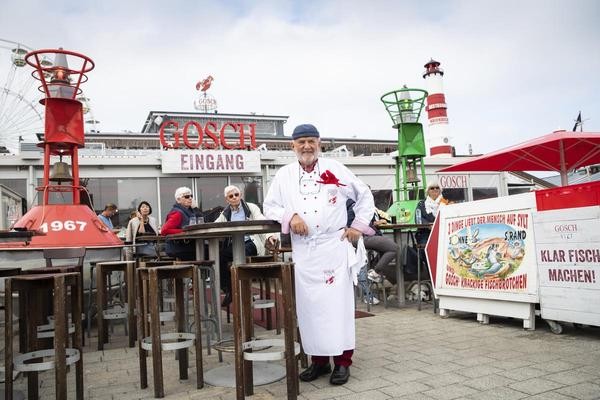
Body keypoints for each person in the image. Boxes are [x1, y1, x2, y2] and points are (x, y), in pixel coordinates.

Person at [264, 123, 374, 386]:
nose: (306, 146)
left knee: (338, 307)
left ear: (319, 143)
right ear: (292, 146)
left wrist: (358, 226)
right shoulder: (284, 174)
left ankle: (343, 362)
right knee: (310, 308)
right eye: (301, 142)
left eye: (311, 141)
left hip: (333, 247)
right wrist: (290, 216)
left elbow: (364, 195)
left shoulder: (335, 169)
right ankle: (319, 361)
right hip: (305, 252)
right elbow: (270, 206)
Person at [215, 185, 278, 305]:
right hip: (235, 244)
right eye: (231, 196)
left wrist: (270, 235)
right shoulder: (226, 212)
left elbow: (261, 220)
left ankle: (244, 291)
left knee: (241, 257)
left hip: (251, 242)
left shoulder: (251, 207)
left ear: (241, 195)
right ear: (226, 199)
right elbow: (216, 224)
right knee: (220, 257)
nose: (234, 197)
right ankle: (230, 289)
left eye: (236, 195)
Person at [346, 199, 397, 305]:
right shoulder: (355, 206)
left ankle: (375, 273)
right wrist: (370, 228)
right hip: (361, 239)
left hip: (361, 238)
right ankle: (375, 273)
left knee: (385, 253)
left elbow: (362, 222)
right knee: (394, 248)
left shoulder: (358, 205)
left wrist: (374, 223)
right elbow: (352, 225)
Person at [161, 187, 196, 261]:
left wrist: (195, 208)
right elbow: (164, 230)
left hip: (186, 246)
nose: (190, 198)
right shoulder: (177, 213)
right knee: (213, 253)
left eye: (191, 196)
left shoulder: (190, 211)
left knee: (209, 250)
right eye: (186, 196)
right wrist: (184, 232)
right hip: (179, 247)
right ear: (178, 200)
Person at [415, 180, 448, 245]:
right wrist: (428, 225)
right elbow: (417, 219)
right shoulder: (421, 204)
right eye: (432, 188)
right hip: (426, 233)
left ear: (440, 190)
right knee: (425, 245)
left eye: (437, 187)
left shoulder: (445, 203)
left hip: (443, 233)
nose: (435, 189)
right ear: (428, 191)